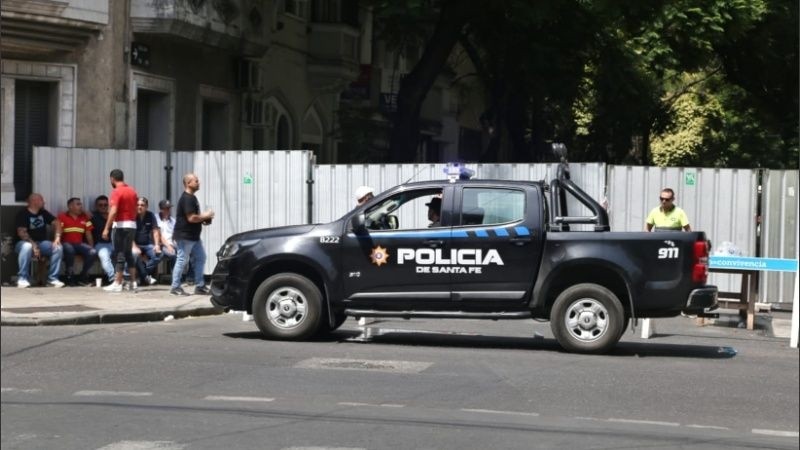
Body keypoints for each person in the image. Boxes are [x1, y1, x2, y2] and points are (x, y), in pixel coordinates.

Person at [170, 173, 215, 296]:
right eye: (196, 181)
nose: (198, 182)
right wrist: (205, 215)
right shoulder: (187, 198)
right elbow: (191, 218)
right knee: (182, 260)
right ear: (188, 183)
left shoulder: (192, 198)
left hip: (193, 236)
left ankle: (200, 286)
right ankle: (175, 287)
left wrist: (205, 220)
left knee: (201, 257)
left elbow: (195, 217)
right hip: (185, 236)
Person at [15, 193, 64, 288]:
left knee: (58, 247)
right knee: (27, 246)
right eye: (42, 200)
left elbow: (57, 222)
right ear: (34, 201)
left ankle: (52, 279)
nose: (44, 202)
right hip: (23, 243)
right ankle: (22, 279)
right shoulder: (22, 214)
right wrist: (34, 245)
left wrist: (57, 237)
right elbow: (21, 233)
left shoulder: (43, 213)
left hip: (41, 243)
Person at [102, 169, 139, 293]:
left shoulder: (116, 191)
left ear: (112, 179)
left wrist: (106, 228)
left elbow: (113, 211)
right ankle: (134, 282)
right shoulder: (132, 191)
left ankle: (117, 283)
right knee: (128, 254)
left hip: (121, 226)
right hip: (132, 225)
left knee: (120, 254)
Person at [58, 197, 97, 286]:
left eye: (81, 204)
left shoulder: (84, 218)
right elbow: (58, 231)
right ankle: (69, 275)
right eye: (78, 204)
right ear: (70, 206)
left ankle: (83, 276)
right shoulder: (62, 216)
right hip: (65, 243)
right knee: (69, 249)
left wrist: (91, 246)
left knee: (93, 252)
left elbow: (88, 234)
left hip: (79, 244)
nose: (81, 206)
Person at [132, 197, 162, 286]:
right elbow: (128, 234)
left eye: (142, 205)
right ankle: (145, 276)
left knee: (159, 255)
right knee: (135, 255)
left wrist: (156, 245)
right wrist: (134, 246)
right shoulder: (132, 216)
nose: (139, 207)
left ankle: (142, 275)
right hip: (135, 244)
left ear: (147, 206)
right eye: (137, 205)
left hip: (147, 244)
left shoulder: (150, 215)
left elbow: (155, 231)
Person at [91, 195, 116, 285]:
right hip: (100, 244)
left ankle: (125, 277)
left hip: (114, 244)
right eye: (100, 205)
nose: (103, 207)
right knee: (105, 258)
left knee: (126, 255)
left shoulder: (112, 216)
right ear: (96, 206)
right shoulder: (93, 216)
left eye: (105, 205)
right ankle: (113, 279)